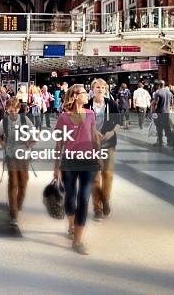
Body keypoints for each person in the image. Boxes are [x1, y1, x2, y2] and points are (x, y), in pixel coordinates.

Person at [53, 84, 100, 255]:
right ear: (74, 96)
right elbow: (59, 143)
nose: (87, 95)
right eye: (83, 93)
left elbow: (94, 137)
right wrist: (56, 166)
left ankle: (77, 240)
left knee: (84, 199)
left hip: (88, 161)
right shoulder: (64, 117)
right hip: (69, 162)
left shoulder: (90, 114)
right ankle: (71, 225)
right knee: (70, 198)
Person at [86, 78, 121, 221]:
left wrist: (112, 132)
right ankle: (97, 208)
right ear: (92, 89)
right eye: (97, 87)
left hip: (109, 144)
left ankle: (105, 200)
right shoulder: (87, 106)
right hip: (91, 145)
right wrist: (93, 131)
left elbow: (119, 122)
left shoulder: (111, 104)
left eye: (102, 87)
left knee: (107, 175)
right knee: (95, 178)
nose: (100, 89)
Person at [0, 96, 35, 226]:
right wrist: (4, 145)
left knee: (23, 183)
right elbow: (1, 137)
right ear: (7, 110)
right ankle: (14, 213)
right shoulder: (4, 122)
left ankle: (18, 205)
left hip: (24, 155)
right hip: (11, 155)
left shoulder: (25, 121)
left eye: (15, 109)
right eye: (10, 109)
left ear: (19, 109)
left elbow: (34, 138)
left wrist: (28, 143)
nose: (13, 112)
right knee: (13, 182)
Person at [151, 80, 174, 148]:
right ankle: (169, 141)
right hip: (166, 112)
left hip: (159, 113)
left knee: (159, 128)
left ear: (158, 85)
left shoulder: (157, 92)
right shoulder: (169, 93)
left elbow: (155, 103)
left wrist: (153, 112)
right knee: (167, 127)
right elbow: (171, 103)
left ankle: (160, 142)